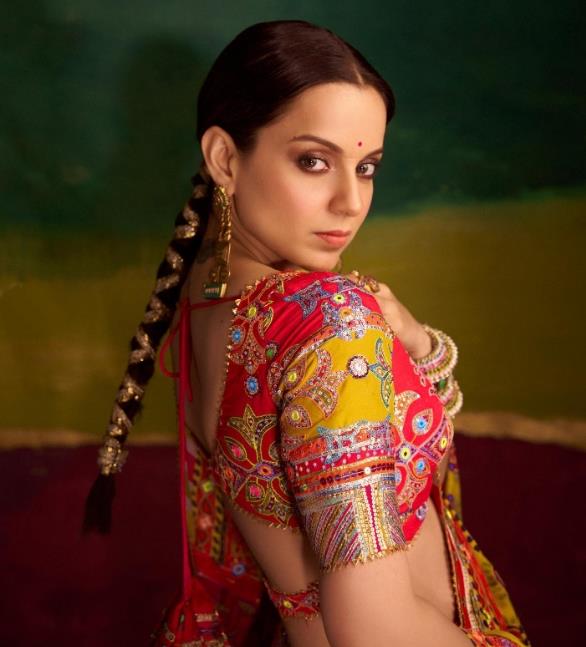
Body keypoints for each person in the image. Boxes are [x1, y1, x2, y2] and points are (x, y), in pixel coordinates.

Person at [83, 20, 531, 647]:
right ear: (225, 159)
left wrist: (419, 346)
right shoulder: (330, 323)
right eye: (314, 161)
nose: (350, 201)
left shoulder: (206, 301)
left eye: (367, 167)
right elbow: (374, 629)